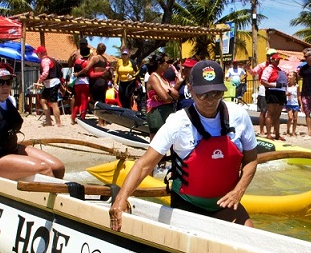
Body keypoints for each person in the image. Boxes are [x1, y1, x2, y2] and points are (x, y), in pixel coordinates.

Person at [109, 60, 258, 231]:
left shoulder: (239, 115)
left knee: (250, 237)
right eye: (203, 94)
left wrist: (238, 191)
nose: (210, 100)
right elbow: (145, 164)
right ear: (190, 89)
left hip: (225, 205)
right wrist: (121, 199)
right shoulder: (178, 122)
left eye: (216, 93)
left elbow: (251, 160)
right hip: (187, 206)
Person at [145, 52, 178, 138]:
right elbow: (165, 97)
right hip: (156, 112)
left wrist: (169, 93)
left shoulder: (163, 79)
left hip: (166, 111)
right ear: (160, 64)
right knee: (157, 140)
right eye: (167, 62)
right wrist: (171, 95)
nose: (169, 65)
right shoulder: (153, 77)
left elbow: (177, 95)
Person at [260, 48, 288, 140]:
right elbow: (263, 81)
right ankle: (268, 134)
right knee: (270, 114)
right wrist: (274, 85)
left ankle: (277, 134)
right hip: (272, 93)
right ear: (271, 59)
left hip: (281, 93)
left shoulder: (279, 69)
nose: (278, 61)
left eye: (278, 59)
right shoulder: (268, 69)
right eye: (276, 59)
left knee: (277, 114)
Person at [35, 45, 63, 127]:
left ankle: (58, 123)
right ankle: (48, 120)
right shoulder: (52, 60)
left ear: (40, 53)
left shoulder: (45, 61)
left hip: (52, 83)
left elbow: (46, 72)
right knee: (43, 100)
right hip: (50, 83)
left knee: (54, 103)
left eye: (37, 54)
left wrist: (39, 80)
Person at [68, 43, 91, 120]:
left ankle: (73, 117)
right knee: (84, 101)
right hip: (85, 82)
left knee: (77, 101)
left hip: (77, 82)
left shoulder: (77, 61)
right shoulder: (87, 62)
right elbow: (88, 71)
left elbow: (70, 63)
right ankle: (82, 117)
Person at [86, 42, 110, 108]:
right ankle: (102, 117)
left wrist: (79, 73)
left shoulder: (94, 58)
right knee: (102, 100)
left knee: (95, 100)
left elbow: (87, 68)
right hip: (104, 81)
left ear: (97, 49)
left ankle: (99, 115)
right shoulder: (105, 60)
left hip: (96, 81)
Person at [284, 70, 300, 137]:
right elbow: (283, 94)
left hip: (295, 103)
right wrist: (286, 94)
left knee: (295, 118)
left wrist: (300, 103)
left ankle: (293, 131)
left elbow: (299, 95)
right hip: (288, 103)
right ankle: (288, 130)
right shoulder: (286, 85)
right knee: (290, 118)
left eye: (290, 75)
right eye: (288, 75)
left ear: (294, 77)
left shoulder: (297, 86)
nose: (289, 76)